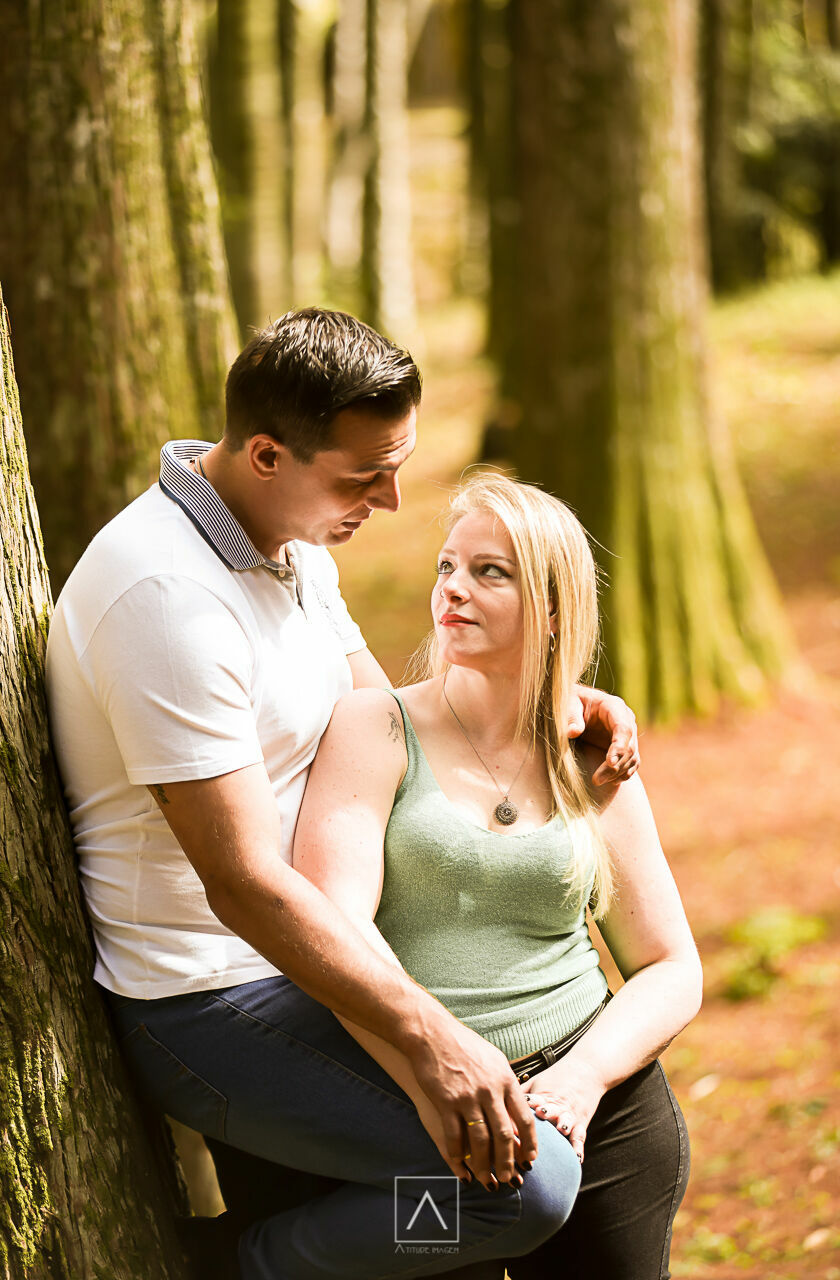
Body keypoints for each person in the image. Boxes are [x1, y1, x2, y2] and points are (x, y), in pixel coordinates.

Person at [44, 309, 642, 1279]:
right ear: (269, 453)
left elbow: (385, 712)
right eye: (365, 476)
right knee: (516, 1190)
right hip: (211, 995)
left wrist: (548, 704)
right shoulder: (163, 597)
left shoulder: (288, 539)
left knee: (548, 1127)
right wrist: (428, 1032)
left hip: (323, 942)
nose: (395, 500)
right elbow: (240, 881)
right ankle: (256, 1263)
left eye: (395, 464)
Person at [292, 472, 703, 1280]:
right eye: (448, 566)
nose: (454, 589)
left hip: (604, 1116)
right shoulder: (374, 728)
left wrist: (581, 1082)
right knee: (423, 1256)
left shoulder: (591, 753)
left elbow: (671, 965)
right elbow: (333, 938)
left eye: (491, 572)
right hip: (425, 1114)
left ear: (551, 608)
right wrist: (432, 1080)